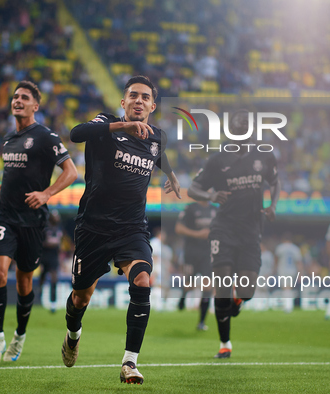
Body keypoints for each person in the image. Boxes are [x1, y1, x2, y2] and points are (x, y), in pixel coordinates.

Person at [61, 75, 181, 384]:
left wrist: (170, 173)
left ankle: (130, 362)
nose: (139, 101)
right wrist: (121, 127)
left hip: (131, 228)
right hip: (92, 229)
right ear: (123, 102)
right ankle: (73, 335)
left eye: (145, 97)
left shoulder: (158, 137)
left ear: (152, 106)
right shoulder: (106, 123)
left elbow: (158, 153)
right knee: (80, 299)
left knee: (142, 280)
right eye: (133, 96)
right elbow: (76, 134)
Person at [0, 81, 78, 365]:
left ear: (35, 106)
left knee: (24, 281)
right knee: (0, 274)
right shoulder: (8, 140)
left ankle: (19, 336)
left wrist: (46, 193)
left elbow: (72, 172)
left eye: (24, 97)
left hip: (33, 222)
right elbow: (13, 176)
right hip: (4, 216)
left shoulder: (46, 137)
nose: (17, 100)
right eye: (15, 97)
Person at [188, 110, 280, 359]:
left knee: (247, 290)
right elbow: (193, 189)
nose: (241, 132)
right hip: (224, 229)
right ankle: (225, 343)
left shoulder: (264, 156)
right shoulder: (218, 160)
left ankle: (238, 302)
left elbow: (275, 182)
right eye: (237, 128)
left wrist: (272, 206)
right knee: (223, 286)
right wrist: (210, 196)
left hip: (251, 230)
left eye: (245, 128)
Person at [175, 201, 217, 330]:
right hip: (191, 253)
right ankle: (183, 296)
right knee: (189, 284)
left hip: (208, 254)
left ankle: (201, 322)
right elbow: (178, 228)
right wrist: (198, 234)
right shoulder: (190, 208)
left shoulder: (215, 210)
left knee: (207, 285)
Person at [40, 209, 63, 313]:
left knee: (54, 278)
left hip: (54, 256)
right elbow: (42, 242)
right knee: (43, 275)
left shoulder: (59, 229)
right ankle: (38, 294)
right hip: (45, 256)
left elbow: (59, 244)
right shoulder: (46, 229)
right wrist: (52, 244)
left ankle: (53, 303)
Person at [274, 233, 302, 314]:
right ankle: (288, 305)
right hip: (292, 270)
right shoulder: (295, 248)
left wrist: (275, 269)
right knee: (288, 288)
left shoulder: (280, 247)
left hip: (282, 270)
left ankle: (288, 306)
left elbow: (276, 259)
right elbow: (299, 262)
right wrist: (300, 273)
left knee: (286, 288)